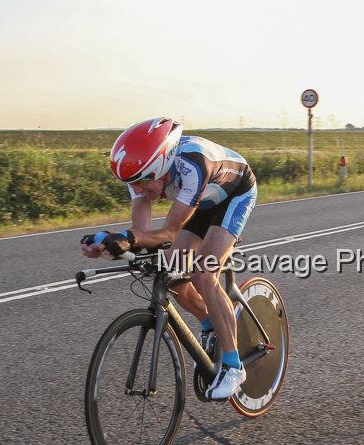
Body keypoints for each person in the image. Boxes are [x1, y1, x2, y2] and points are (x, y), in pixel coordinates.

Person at [80, 117, 257, 401]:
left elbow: (169, 232)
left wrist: (129, 237)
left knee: (203, 273)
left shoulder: (192, 166)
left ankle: (234, 367)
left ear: (161, 167)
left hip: (233, 195)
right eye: (133, 186)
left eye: (143, 184)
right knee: (172, 274)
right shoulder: (139, 174)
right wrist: (108, 243)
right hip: (197, 202)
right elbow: (141, 234)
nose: (139, 191)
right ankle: (211, 324)